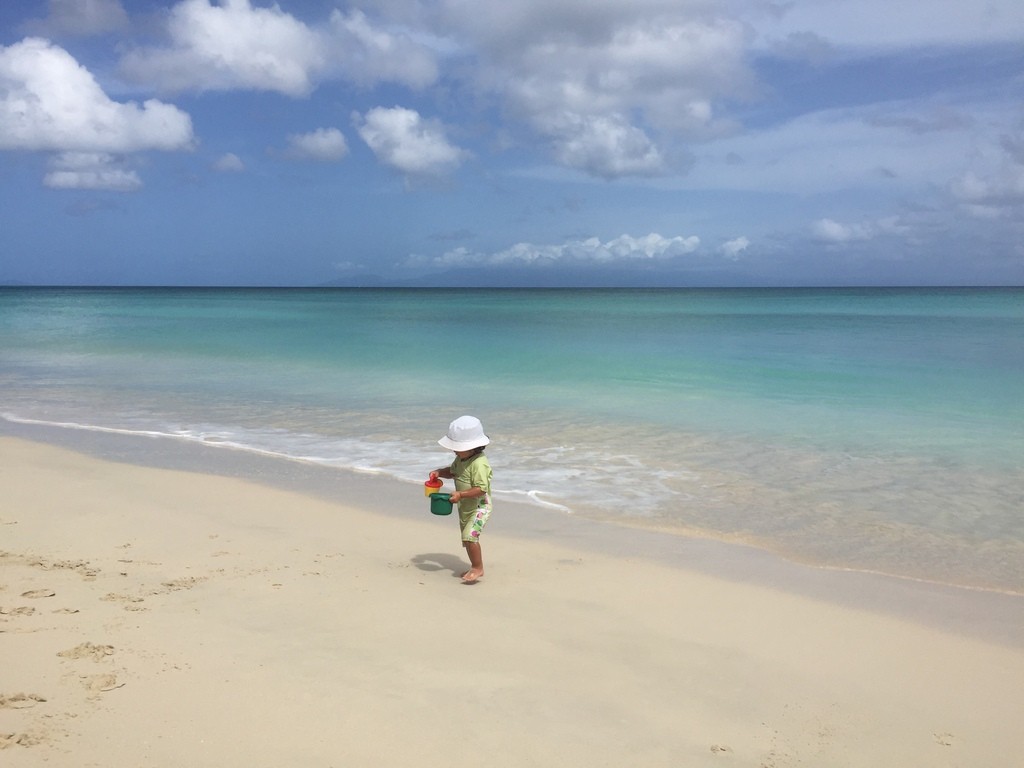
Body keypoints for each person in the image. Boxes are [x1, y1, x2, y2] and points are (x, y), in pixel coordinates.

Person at [430, 415, 493, 584]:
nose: (454, 450)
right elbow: (452, 472)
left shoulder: (479, 464)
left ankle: (478, 567)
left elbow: (481, 489)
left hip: (480, 507)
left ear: (474, 447)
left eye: (457, 447)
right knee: (466, 538)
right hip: (465, 506)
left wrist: (461, 494)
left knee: (470, 536)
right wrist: (439, 472)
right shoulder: (462, 458)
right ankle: (475, 565)